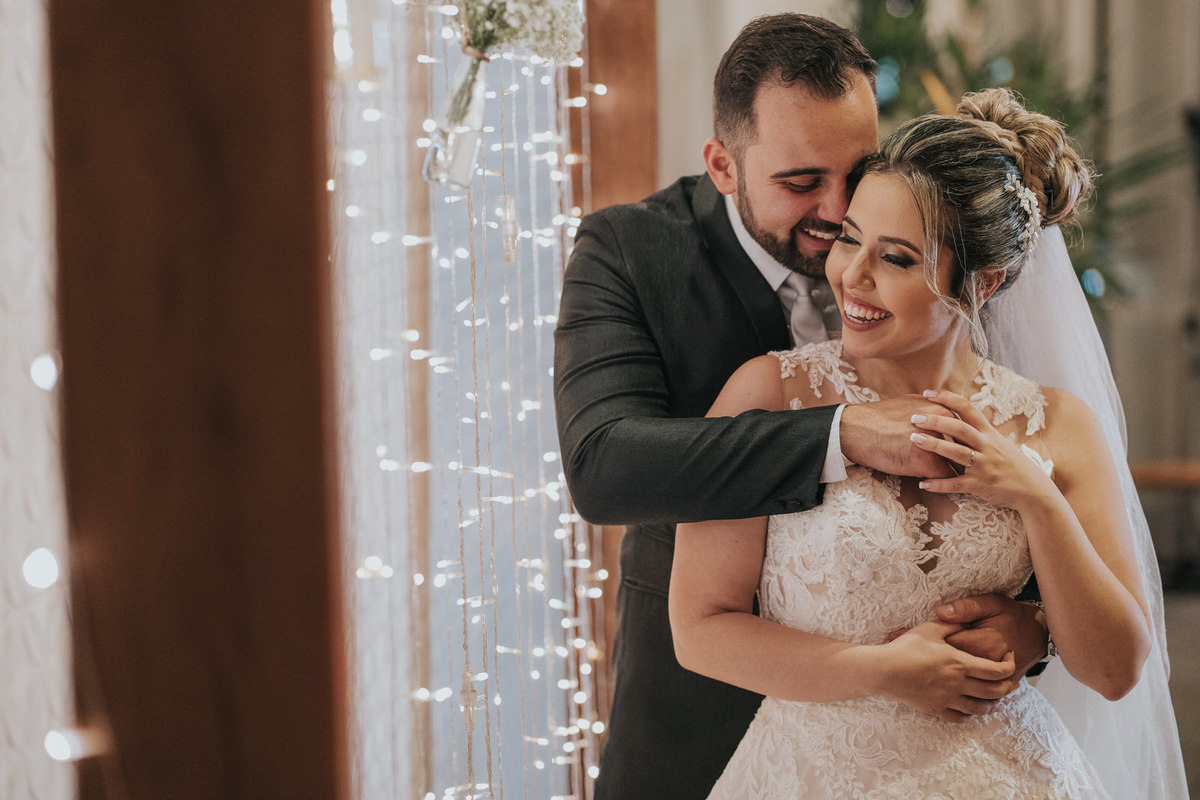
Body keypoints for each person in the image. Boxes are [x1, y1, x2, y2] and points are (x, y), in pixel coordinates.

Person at [553, 14, 1049, 800]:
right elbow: (603, 466)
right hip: (699, 712)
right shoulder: (628, 252)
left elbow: (1031, 466)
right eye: (799, 182)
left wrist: (1037, 624)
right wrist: (841, 433)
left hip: (939, 729)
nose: (838, 211)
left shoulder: (942, 259)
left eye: (857, 170)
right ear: (723, 164)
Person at [669, 88, 1186, 798]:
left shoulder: (1055, 427)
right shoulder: (769, 395)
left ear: (986, 280)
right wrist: (884, 671)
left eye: (899, 259)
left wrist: (1035, 499)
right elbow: (700, 628)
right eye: (849, 238)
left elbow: (1117, 670)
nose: (853, 275)